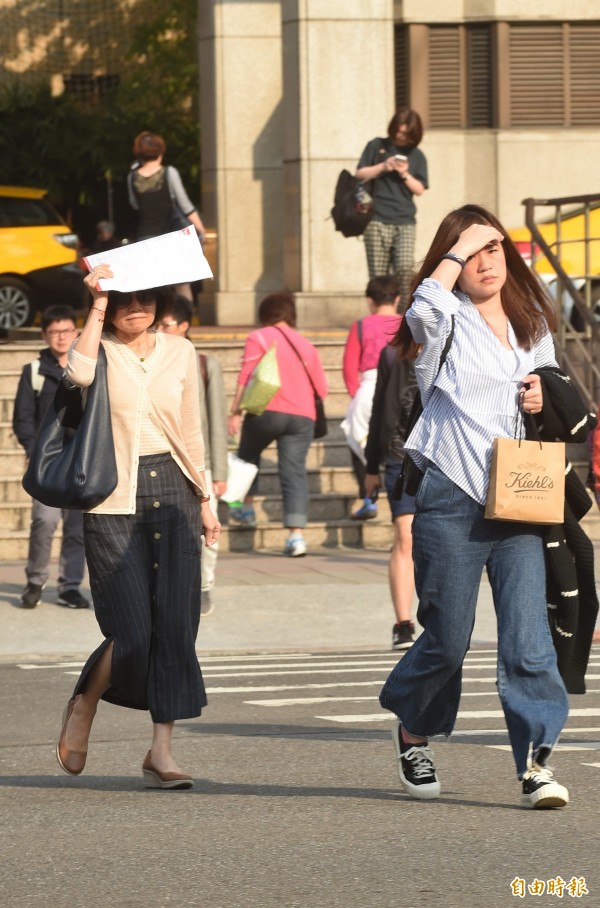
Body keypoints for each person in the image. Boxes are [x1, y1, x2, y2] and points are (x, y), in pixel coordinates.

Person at [379, 203, 576, 809]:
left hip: (521, 494)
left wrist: (544, 393)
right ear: (454, 261)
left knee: (526, 637)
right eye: (472, 253)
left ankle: (536, 763)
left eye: (494, 249)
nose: (485, 262)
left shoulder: (531, 321)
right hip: (450, 493)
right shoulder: (446, 320)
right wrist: (458, 248)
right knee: (448, 638)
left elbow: (551, 392)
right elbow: (421, 310)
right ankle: (413, 728)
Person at [55, 264, 220, 789]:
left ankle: (161, 752)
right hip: (112, 495)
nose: (137, 307)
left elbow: (191, 427)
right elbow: (77, 375)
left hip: (174, 489)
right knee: (131, 628)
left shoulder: (181, 351)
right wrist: (97, 302)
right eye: (125, 299)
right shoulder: (98, 348)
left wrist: (207, 497)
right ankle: (85, 702)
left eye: (146, 297)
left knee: (175, 624)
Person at [227, 292, 328, 557]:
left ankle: (245, 510)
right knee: (294, 473)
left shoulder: (258, 337)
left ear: (264, 314)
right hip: (303, 417)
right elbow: (323, 389)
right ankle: (296, 537)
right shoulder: (307, 345)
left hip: (267, 411)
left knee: (247, 456)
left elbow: (246, 375)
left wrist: (235, 412)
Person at [12, 305, 89, 610]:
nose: (61, 337)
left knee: (77, 528)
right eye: (55, 331)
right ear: (45, 335)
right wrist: (34, 451)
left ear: (76, 333)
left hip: (81, 460)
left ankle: (70, 586)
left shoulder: (87, 366)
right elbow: (22, 418)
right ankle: (35, 580)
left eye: (67, 330)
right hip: (47, 462)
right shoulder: (34, 370)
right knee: (43, 521)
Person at [156, 294, 228, 616]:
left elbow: (215, 419)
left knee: (206, 530)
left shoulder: (203, 364)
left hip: (201, 463)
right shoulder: (152, 359)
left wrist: (219, 471)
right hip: (161, 460)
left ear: (185, 326)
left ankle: (205, 586)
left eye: (166, 324)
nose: (159, 328)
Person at [363, 342, 418, 651]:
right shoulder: (393, 354)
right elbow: (380, 408)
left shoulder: (462, 341)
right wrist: (371, 465)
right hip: (400, 456)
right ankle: (403, 623)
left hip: (447, 457)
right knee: (405, 536)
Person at [341, 275, 401, 521]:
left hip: (368, 387)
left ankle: (368, 498)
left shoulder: (361, 326)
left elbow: (348, 368)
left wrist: (357, 395)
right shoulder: (407, 323)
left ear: (369, 300)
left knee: (358, 442)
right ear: (398, 299)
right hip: (401, 389)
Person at [356, 108, 428, 302]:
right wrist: (383, 166)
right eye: (398, 130)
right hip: (376, 218)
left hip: (404, 220)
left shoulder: (416, 155)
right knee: (378, 275)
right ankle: (381, 317)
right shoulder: (376, 145)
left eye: (406, 133)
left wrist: (404, 173)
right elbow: (359, 174)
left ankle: (403, 315)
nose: (400, 136)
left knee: (405, 269)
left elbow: (420, 189)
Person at [127, 131, 206, 243]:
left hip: (145, 238)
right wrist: (201, 230)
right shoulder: (169, 173)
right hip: (169, 236)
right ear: (161, 152)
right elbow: (186, 206)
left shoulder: (132, 176)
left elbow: (134, 204)